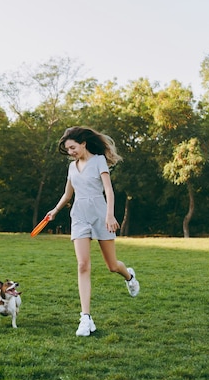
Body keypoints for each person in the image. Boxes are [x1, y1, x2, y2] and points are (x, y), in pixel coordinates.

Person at [46, 126, 140, 337]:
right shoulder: (72, 168)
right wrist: (55, 210)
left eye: (73, 147)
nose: (71, 152)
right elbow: (67, 194)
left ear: (83, 143)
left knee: (112, 265)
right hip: (79, 216)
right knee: (82, 265)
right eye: (68, 149)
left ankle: (129, 275)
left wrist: (109, 215)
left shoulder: (98, 161)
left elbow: (108, 189)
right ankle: (85, 318)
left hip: (100, 214)